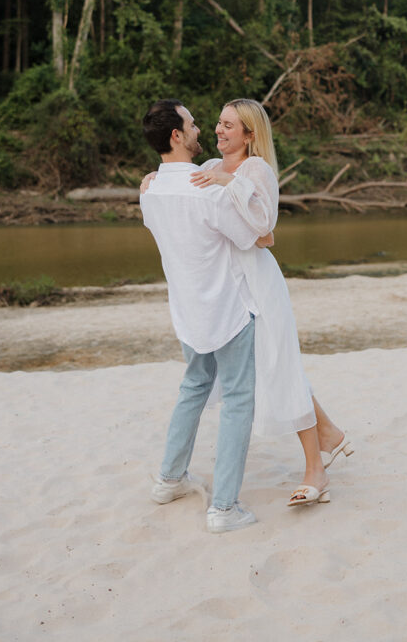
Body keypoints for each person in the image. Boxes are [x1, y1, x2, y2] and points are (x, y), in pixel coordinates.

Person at [142, 98, 353, 506]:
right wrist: (156, 177)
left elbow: (265, 231)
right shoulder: (204, 168)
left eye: (228, 126)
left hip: (255, 280)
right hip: (228, 285)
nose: (218, 130)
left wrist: (229, 184)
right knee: (275, 367)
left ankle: (316, 467)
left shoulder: (255, 170)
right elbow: (184, 194)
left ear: (250, 135)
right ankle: (327, 436)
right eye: (216, 123)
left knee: (281, 366)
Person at [139, 98, 265, 534]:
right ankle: (225, 508)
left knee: (193, 386)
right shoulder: (206, 190)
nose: (199, 130)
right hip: (227, 309)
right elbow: (253, 237)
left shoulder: (150, 191)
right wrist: (235, 187)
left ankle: (169, 479)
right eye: (192, 124)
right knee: (237, 401)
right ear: (176, 135)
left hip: (187, 312)